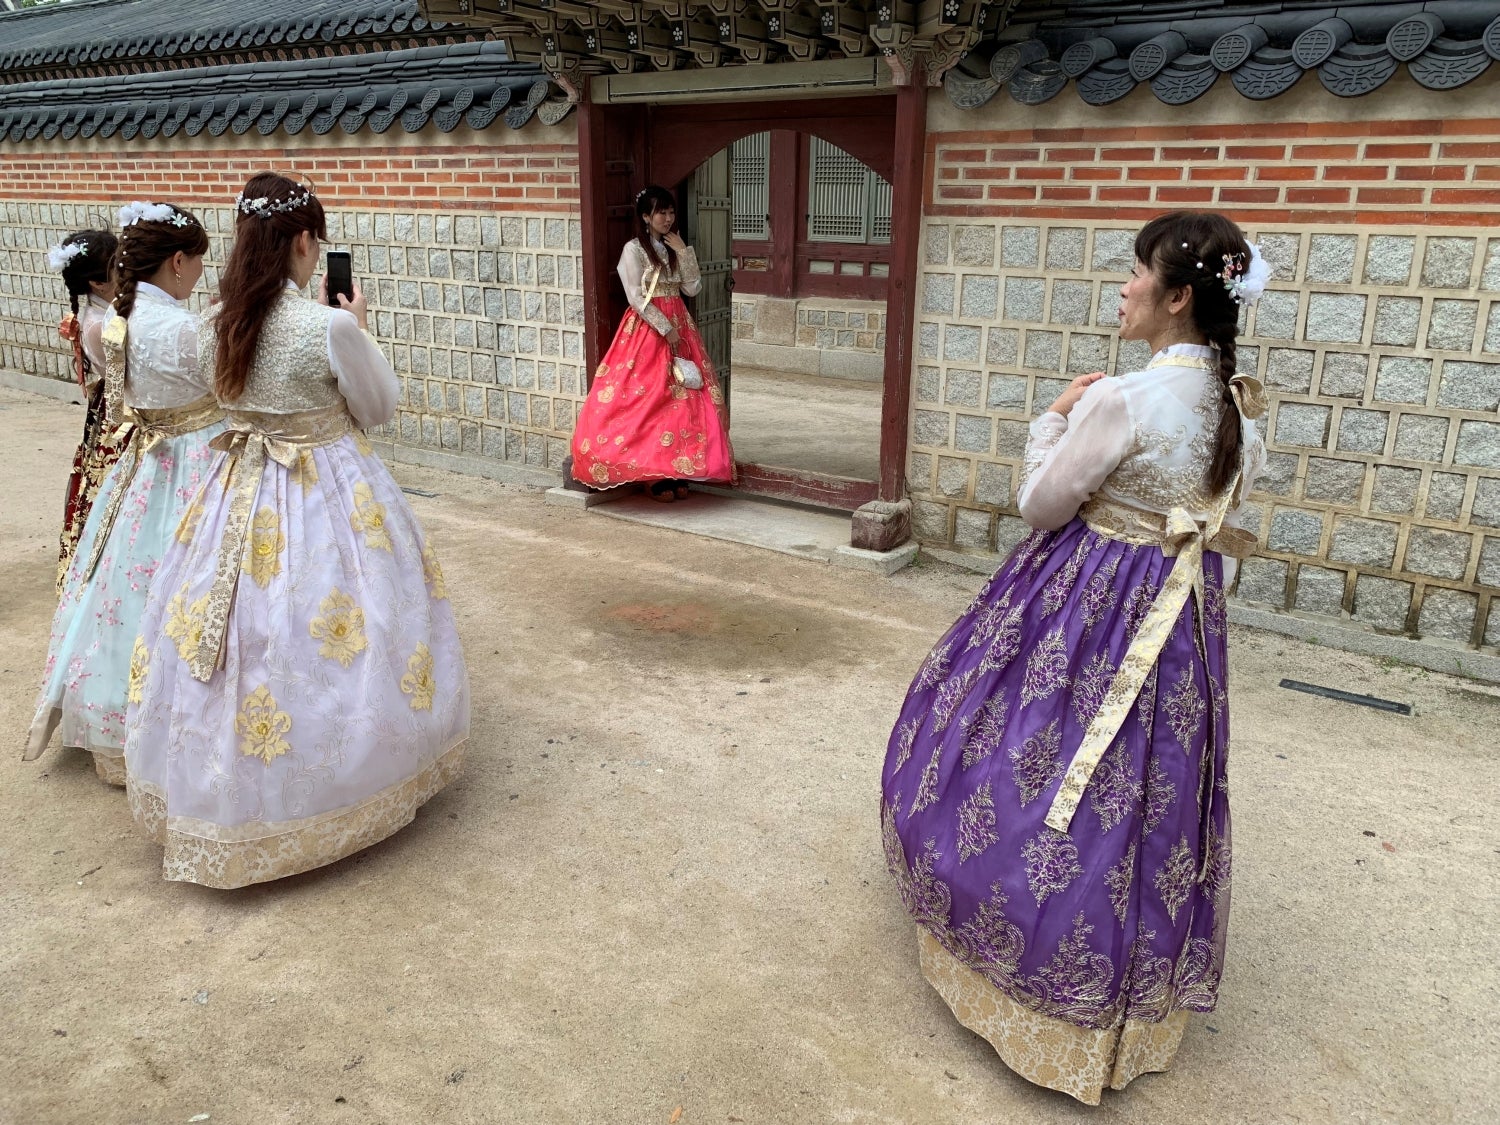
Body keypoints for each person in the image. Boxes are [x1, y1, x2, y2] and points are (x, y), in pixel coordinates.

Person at [879, 211, 1271, 1105]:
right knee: (1147, 789)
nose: (1124, 287)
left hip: (1086, 601)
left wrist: (1052, 417)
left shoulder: (1123, 400)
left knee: (1024, 748)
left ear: (1177, 298)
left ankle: (1022, 958)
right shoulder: (1240, 410)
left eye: (1138, 273)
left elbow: (1040, 506)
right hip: (1179, 625)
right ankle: (1128, 1001)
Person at [123, 172, 469, 889]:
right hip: (328, 487)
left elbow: (219, 397)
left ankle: (223, 783)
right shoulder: (328, 326)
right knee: (342, 625)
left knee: (243, 634)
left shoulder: (213, 321)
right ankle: (340, 782)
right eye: (318, 240)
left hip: (234, 492)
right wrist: (358, 327)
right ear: (304, 242)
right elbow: (378, 408)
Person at [25, 203, 220, 785]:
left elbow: (119, 406)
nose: (201, 276)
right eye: (198, 264)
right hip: (196, 456)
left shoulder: (116, 323)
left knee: (129, 577)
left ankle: (118, 718)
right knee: (192, 579)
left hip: (145, 458)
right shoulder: (187, 329)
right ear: (178, 262)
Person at [570, 184, 733, 501]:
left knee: (682, 397)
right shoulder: (633, 250)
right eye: (661, 212)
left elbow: (692, 289)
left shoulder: (674, 248)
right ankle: (652, 475)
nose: (667, 218)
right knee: (650, 398)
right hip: (649, 327)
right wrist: (664, 327)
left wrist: (684, 250)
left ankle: (674, 468)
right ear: (646, 216)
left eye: (671, 212)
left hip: (680, 324)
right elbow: (636, 296)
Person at [49, 228, 131, 593]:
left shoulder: (100, 313)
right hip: (120, 416)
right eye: (119, 265)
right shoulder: (103, 324)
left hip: (107, 411)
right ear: (99, 282)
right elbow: (128, 382)